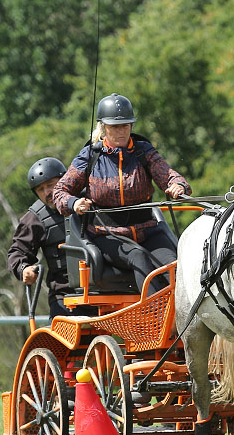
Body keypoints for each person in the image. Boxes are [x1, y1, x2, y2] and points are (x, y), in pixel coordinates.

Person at [52, 93, 191, 293]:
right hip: (109, 236)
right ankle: (153, 318)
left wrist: (178, 185)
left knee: (175, 265)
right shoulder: (90, 156)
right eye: (115, 127)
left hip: (148, 231)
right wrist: (73, 203)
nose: (121, 131)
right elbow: (60, 191)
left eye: (125, 125)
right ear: (103, 128)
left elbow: (168, 175)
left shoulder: (144, 152)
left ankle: (185, 318)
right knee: (139, 257)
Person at [7, 157, 75, 319]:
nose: (47, 193)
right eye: (40, 189)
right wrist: (24, 269)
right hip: (65, 297)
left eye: (51, 185)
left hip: (105, 293)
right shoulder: (34, 219)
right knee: (59, 344)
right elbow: (17, 252)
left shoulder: (87, 200)